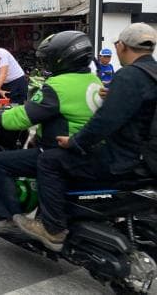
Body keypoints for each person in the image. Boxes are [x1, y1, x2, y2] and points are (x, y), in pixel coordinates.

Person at [13, 24, 157, 251]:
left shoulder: (128, 76)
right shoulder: (150, 74)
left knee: (49, 161)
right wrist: (114, 93)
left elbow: (103, 123)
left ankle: (52, 229)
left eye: (116, 45)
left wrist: (74, 141)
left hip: (124, 161)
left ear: (123, 46)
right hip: (148, 160)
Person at [0, 31, 101, 238]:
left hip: (58, 151)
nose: (47, 63)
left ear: (63, 58)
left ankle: (7, 218)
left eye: (50, 58)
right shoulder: (94, 81)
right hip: (88, 151)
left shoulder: (58, 86)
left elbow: (24, 116)